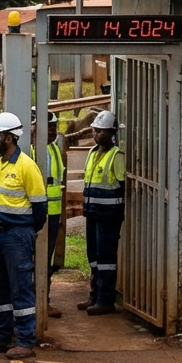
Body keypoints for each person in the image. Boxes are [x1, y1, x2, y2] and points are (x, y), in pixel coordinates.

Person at [0, 111, 47, 360]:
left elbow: (40, 208)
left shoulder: (27, 166)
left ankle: (26, 341)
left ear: (9, 138)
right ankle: (2, 335)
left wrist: (26, 231)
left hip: (17, 236)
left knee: (21, 289)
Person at [80, 110, 125, 316]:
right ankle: (95, 294)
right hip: (93, 213)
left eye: (101, 131)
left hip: (108, 216)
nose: (96, 135)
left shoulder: (117, 156)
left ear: (111, 133)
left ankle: (105, 299)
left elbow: (123, 186)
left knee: (106, 258)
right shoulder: (92, 152)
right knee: (94, 257)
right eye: (94, 131)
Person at [31, 108, 66, 318]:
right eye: (47, 127)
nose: (51, 132)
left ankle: (44, 299)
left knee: (46, 258)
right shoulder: (29, 150)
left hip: (52, 214)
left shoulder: (53, 149)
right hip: (33, 214)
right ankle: (31, 303)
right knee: (30, 258)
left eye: (54, 127)